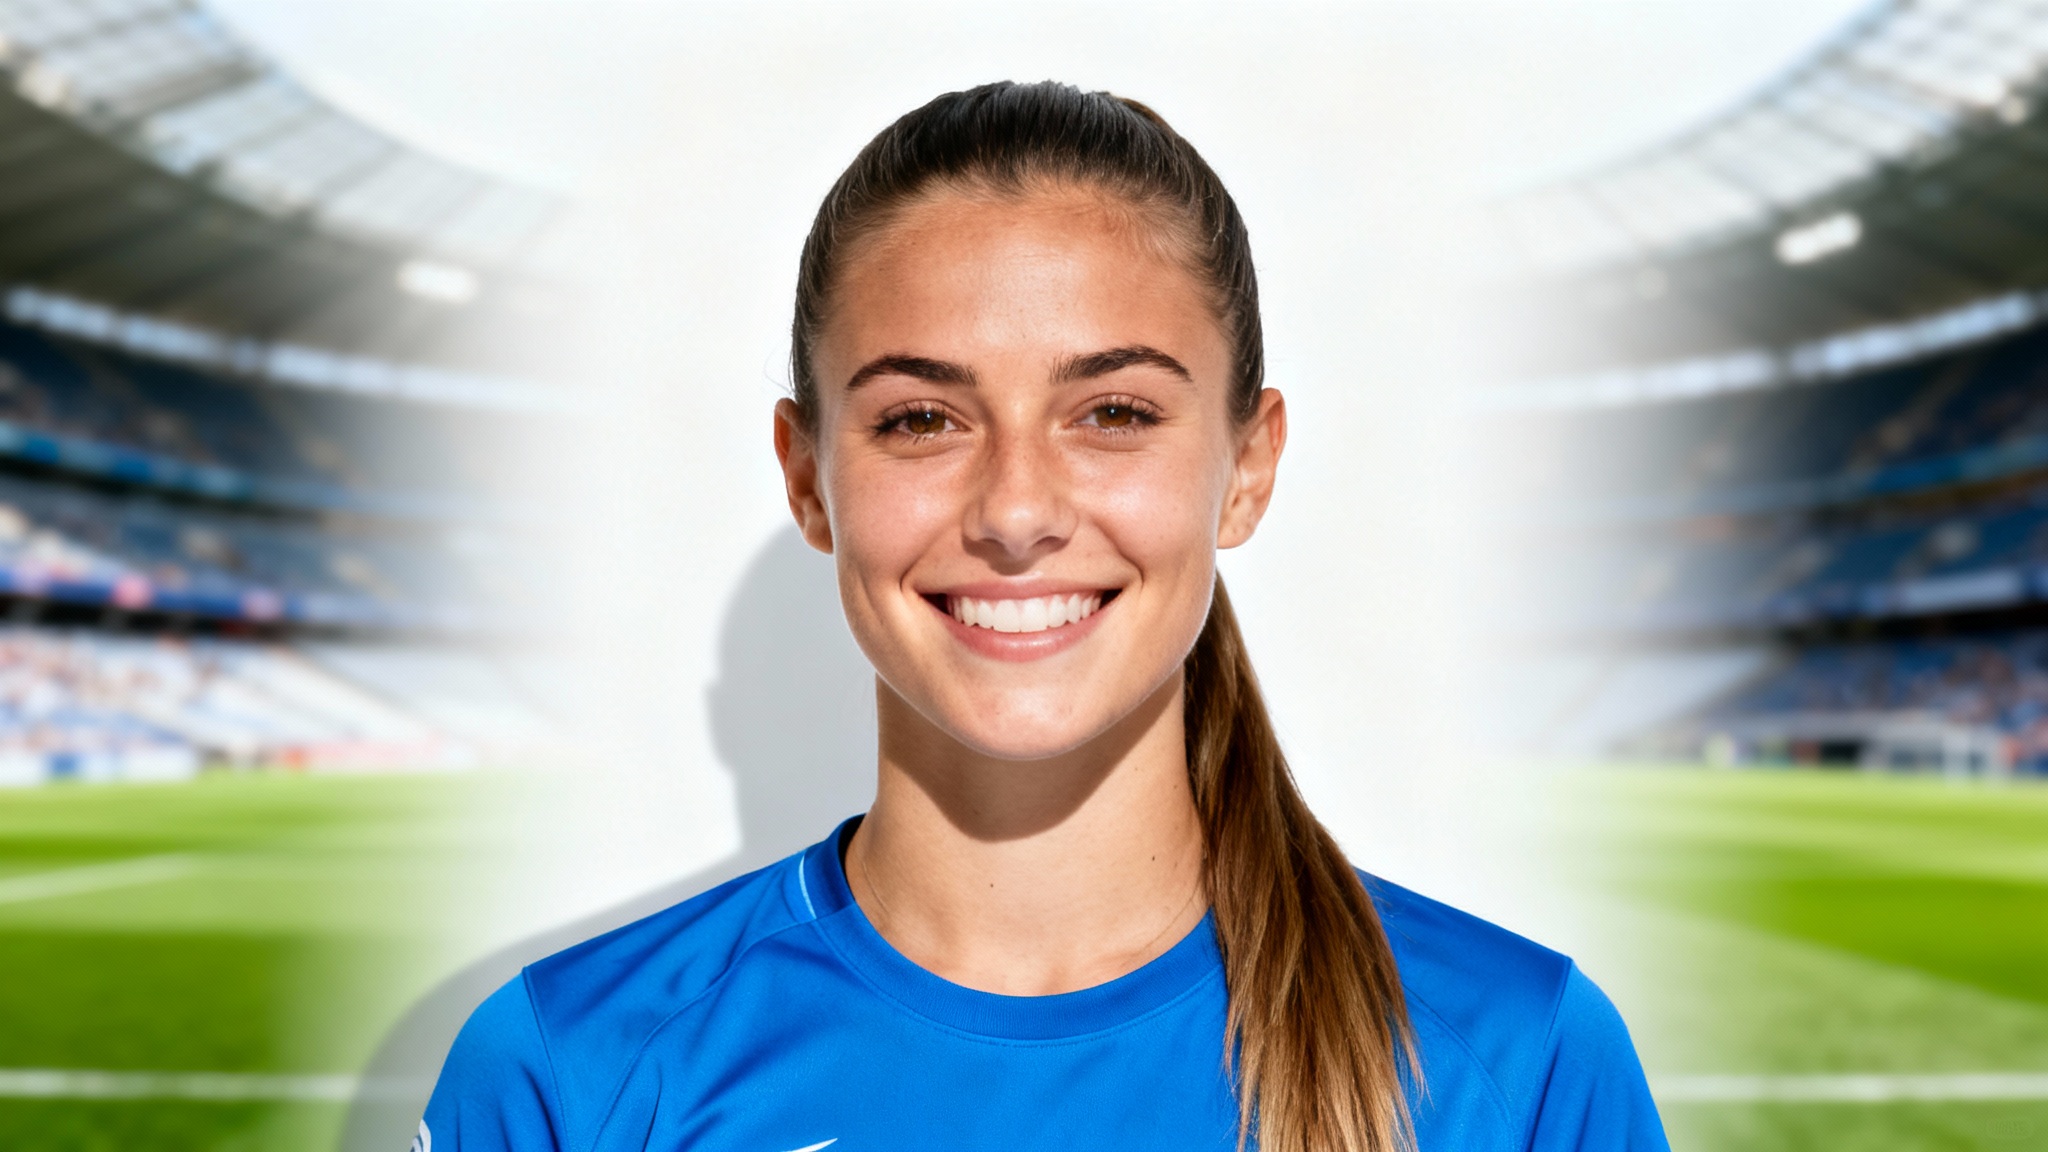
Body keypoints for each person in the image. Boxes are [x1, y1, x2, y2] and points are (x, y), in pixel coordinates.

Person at [418, 81, 1668, 1152]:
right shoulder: (566, 1077)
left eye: (1112, 412)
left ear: (1247, 466)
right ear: (808, 479)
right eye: (920, 419)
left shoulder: (1519, 1066)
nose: (1015, 509)